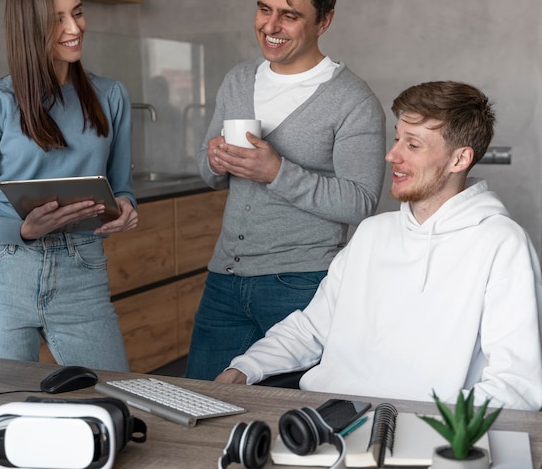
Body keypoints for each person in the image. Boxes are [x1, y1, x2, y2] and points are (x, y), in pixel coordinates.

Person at [215, 80, 542, 411]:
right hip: (328, 415)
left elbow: (517, 385)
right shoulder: (372, 233)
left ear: (460, 159)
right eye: (397, 138)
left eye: (412, 145)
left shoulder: (501, 244)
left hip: (427, 428)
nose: (391, 155)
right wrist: (245, 367)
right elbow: (311, 328)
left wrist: (435, 430)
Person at [186, 0, 386, 381]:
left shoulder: (353, 100)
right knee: (200, 403)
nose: (270, 27)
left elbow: (361, 202)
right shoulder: (238, 80)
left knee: (291, 425)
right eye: (264, 9)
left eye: (289, 16)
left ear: (324, 21)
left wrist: (276, 171)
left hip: (301, 286)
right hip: (225, 277)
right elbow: (207, 172)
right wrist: (215, 159)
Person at [0, 0, 137, 372]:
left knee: (113, 399)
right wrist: (23, 229)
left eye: (78, 13)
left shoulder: (111, 96)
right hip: (4, 273)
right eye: (58, 19)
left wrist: (125, 208)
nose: (74, 28)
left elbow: (122, 188)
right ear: (29, 27)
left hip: (82, 269)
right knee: (5, 410)